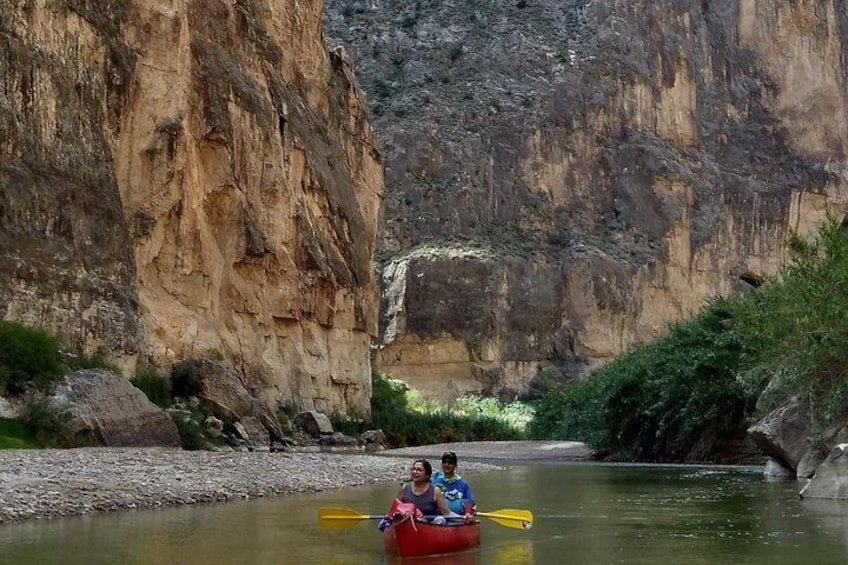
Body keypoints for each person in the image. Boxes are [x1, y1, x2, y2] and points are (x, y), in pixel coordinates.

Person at [379, 458, 466, 530]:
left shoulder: (435, 491)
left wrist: (463, 518)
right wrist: (386, 520)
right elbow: (394, 510)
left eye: (419, 470)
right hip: (408, 522)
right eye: (413, 469)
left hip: (429, 524)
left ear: (427, 475)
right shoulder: (404, 488)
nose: (415, 472)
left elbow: (447, 514)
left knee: (440, 519)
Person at [431, 451, 476, 515]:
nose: (447, 465)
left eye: (450, 463)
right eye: (444, 462)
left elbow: (469, 502)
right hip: (438, 519)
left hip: (459, 519)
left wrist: (468, 512)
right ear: (442, 464)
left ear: (455, 466)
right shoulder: (435, 483)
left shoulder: (463, 484)